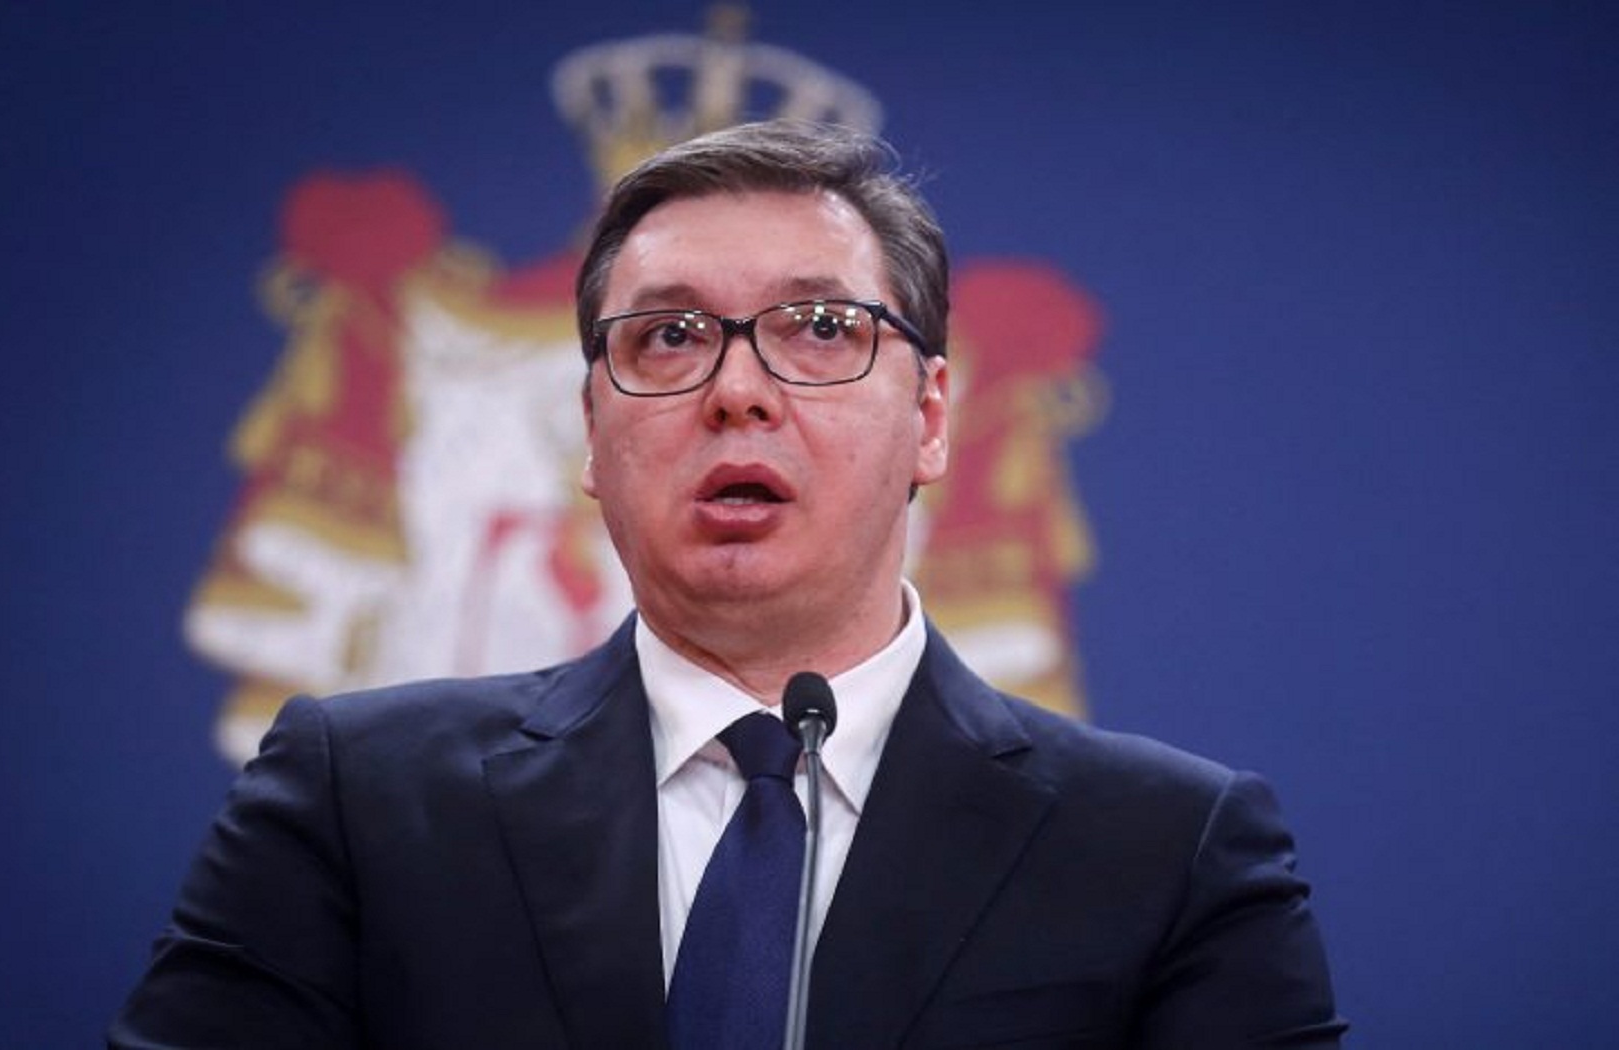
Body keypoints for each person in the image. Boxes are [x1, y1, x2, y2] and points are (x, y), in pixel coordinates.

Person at [111, 119, 1345, 1048]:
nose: (737, 391)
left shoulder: (1166, 851)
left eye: (820, 329)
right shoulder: (356, 799)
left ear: (930, 419)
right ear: (592, 432)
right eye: (669, 336)